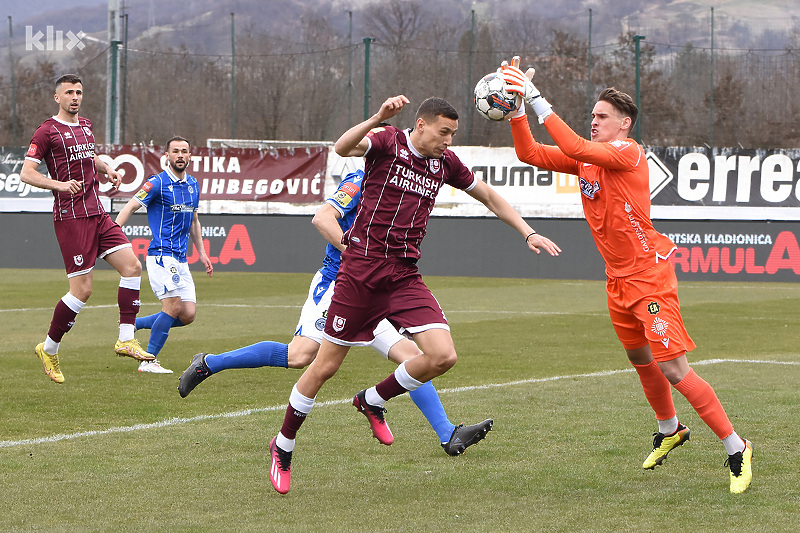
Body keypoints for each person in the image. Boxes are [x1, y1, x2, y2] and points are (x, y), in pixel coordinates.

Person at [266, 96, 562, 494]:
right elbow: (341, 147)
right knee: (323, 366)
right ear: (420, 125)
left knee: (443, 356)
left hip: (404, 276)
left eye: (453, 134)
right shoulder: (388, 142)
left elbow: (489, 196)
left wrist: (528, 231)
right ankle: (283, 445)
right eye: (444, 132)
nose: (448, 141)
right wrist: (376, 117)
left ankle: (372, 399)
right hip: (360, 275)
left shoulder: (445, 164)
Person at [499, 56, 753, 494]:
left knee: (673, 367)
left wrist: (538, 97)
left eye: (602, 117)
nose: (594, 122)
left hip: (648, 276)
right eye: (592, 116)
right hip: (617, 280)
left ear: (624, 125)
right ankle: (670, 429)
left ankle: (736, 447)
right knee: (640, 359)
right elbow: (529, 153)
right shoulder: (589, 162)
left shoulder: (629, 153)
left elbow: (577, 146)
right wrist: (517, 108)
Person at [178, 167, 493, 456]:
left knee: (414, 360)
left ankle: (447, 433)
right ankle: (209, 364)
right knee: (300, 356)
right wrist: (357, 254)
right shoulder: (358, 181)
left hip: (375, 289)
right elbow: (321, 219)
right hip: (337, 287)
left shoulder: (398, 186)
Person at [21, 73, 153, 384]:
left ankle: (125, 338)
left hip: (97, 212)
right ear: (58, 98)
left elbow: (88, 158)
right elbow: (27, 173)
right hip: (71, 218)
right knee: (83, 290)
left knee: (133, 267)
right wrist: (59, 185)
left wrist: (106, 168)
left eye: (79, 92)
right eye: (69, 92)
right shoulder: (46, 131)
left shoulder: (86, 125)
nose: (75, 97)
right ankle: (49, 348)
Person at [115, 136, 213, 373]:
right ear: (167, 156)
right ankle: (149, 361)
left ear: (190, 156)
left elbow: (194, 220)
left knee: (188, 313)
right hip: (161, 255)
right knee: (172, 306)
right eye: (176, 151)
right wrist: (113, 234)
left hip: (181, 258)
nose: (180, 155)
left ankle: (134, 325)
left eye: (184, 151)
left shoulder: (193, 185)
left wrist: (202, 253)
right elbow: (130, 205)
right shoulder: (157, 183)